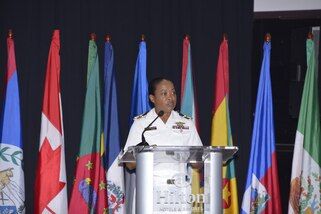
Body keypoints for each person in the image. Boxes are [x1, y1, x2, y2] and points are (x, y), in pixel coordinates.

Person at [124, 77, 203, 213]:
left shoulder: (186, 124)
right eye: (164, 93)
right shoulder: (141, 124)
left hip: (179, 191)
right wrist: (146, 155)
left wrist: (192, 158)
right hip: (150, 191)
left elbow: (198, 162)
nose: (171, 97)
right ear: (152, 98)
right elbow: (129, 164)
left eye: (173, 93)